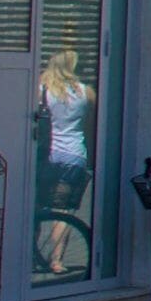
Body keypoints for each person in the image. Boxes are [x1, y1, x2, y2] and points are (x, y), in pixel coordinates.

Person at [30, 49, 93, 282]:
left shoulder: (41, 89)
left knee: (37, 206)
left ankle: (31, 256)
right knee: (63, 210)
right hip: (74, 155)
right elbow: (89, 124)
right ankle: (56, 261)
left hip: (48, 154)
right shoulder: (85, 92)